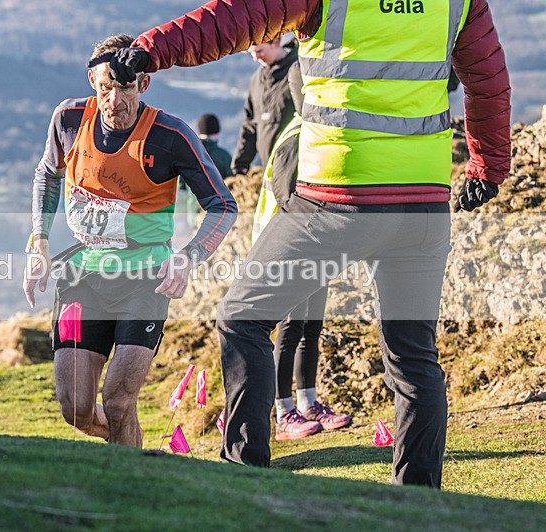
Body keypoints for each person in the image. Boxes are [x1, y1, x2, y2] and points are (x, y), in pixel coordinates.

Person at [105, 0, 511, 487]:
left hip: (335, 200)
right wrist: (488, 168)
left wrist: (150, 50)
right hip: (421, 204)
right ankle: (419, 499)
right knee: (413, 356)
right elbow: (487, 79)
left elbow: (233, 20)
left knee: (242, 317)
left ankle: (245, 473)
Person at [23, 34, 237, 448]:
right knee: (76, 410)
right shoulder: (67, 120)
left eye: (125, 88)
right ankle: (132, 444)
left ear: (144, 84)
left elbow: (222, 205)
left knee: (118, 400)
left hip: (145, 278)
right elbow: (47, 175)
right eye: (105, 88)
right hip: (83, 274)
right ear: (92, 81)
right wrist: (40, 241)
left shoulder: (170, 135)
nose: (114, 100)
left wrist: (189, 256)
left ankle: (129, 485)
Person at [253, 62, 351, 440]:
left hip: (317, 247)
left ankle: (309, 404)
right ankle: (284, 413)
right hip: (289, 250)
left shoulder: (314, 132)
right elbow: (288, 198)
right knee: (291, 329)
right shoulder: (298, 137)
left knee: (311, 328)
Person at [232, 33, 298, 175]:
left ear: (276, 42)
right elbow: (251, 123)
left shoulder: (298, 72)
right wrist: (241, 163)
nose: (255, 58)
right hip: (268, 167)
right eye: (251, 53)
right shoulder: (256, 80)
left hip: (296, 166)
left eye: (259, 51)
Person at [181, 113, 233, 227]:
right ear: (217, 133)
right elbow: (232, 185)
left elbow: (181, 185)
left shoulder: (188, 154)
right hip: (217, 216)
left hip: (194, 215)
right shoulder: (224, 156)